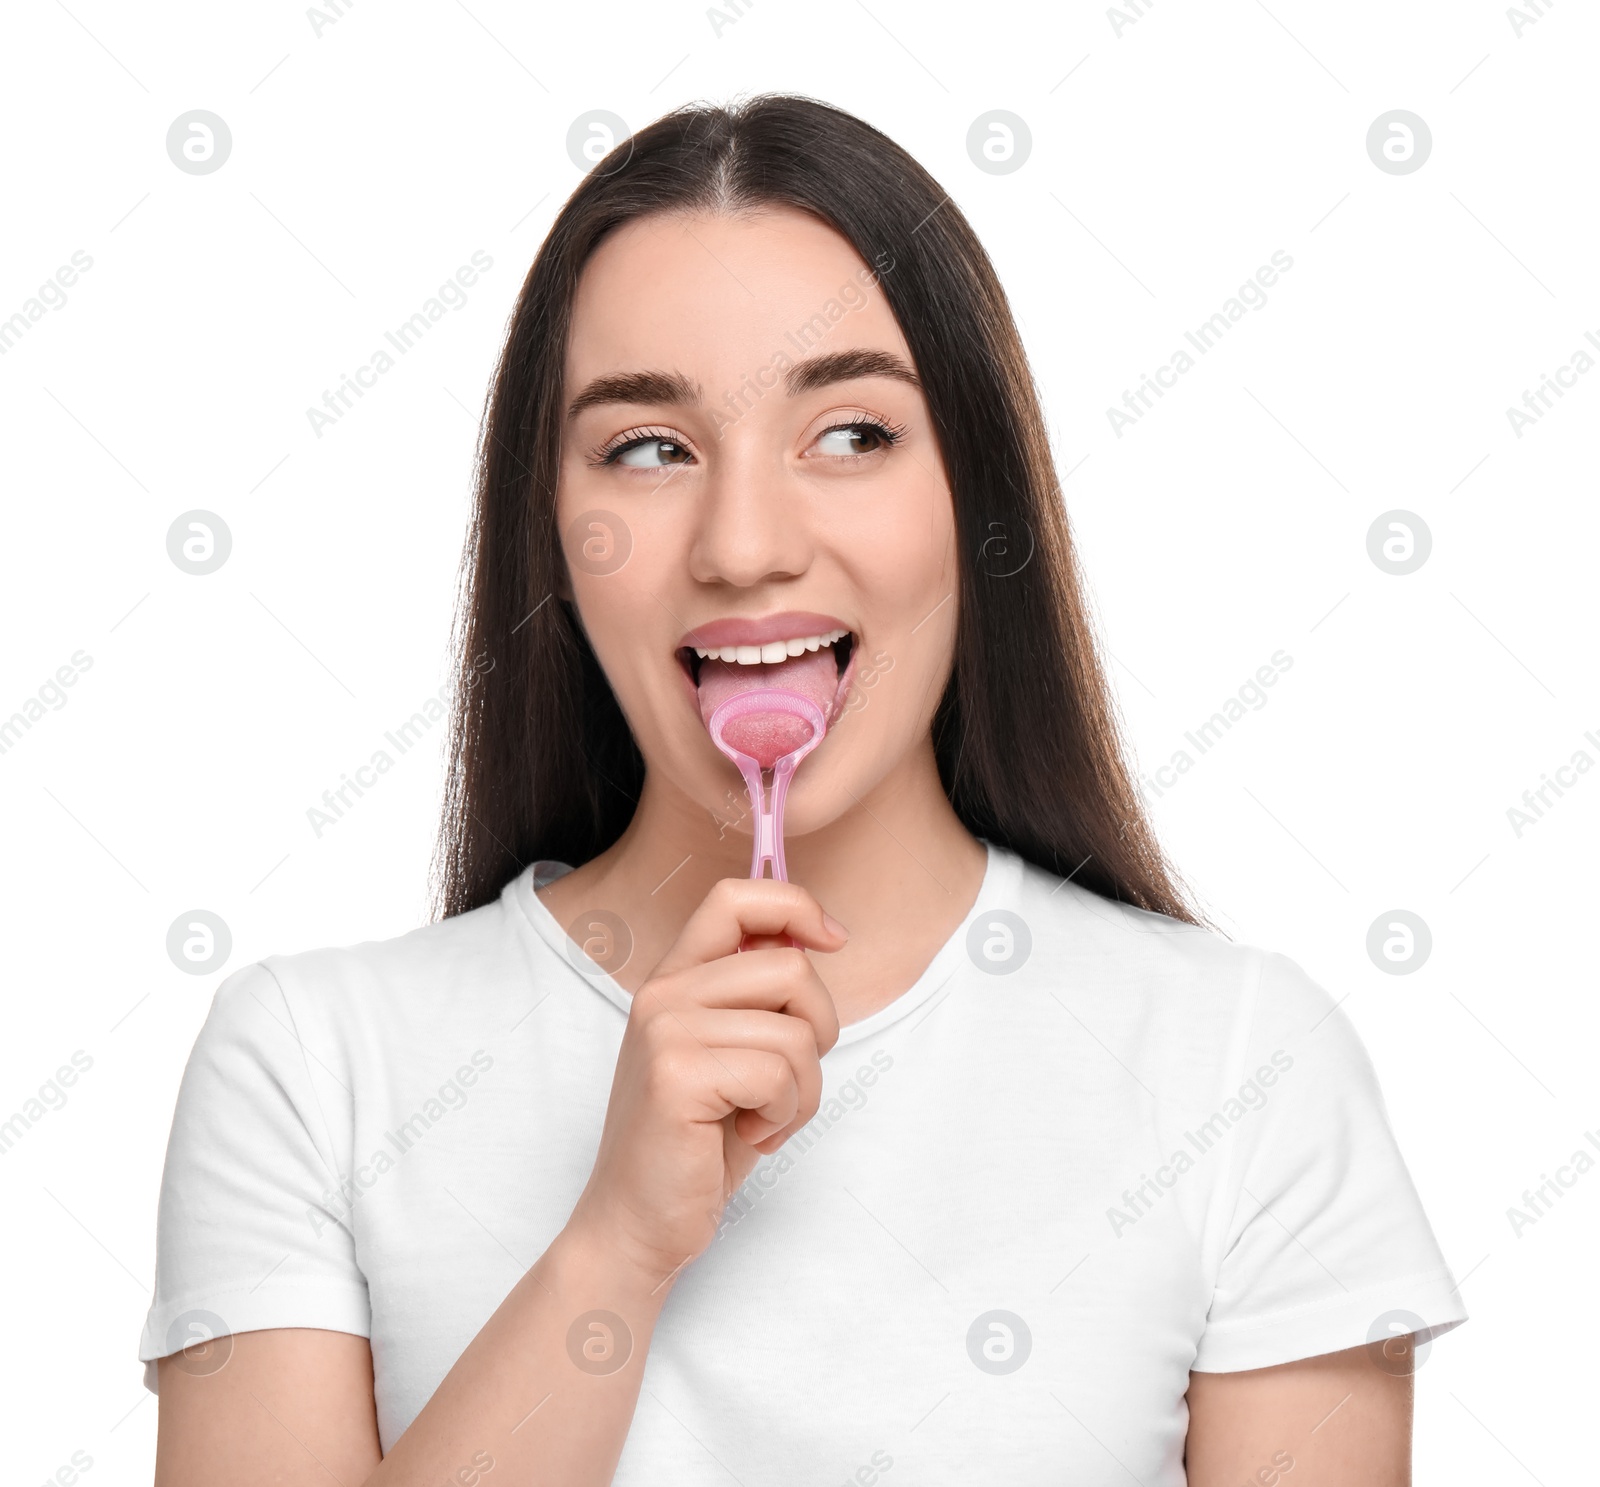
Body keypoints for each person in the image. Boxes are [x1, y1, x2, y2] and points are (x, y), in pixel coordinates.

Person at [141, 95, 1466, 1485]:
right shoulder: (309, 1070)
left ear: (978, 491)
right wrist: (615, 1252)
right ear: (555, 533)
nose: (745, 545)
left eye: (851, 433)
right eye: (647, 448)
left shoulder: (1245, 1069)